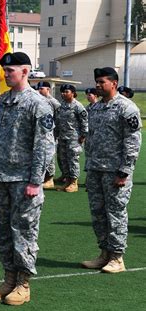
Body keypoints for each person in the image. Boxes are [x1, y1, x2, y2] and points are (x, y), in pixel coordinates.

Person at [0, 52, 55, 305]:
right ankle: (9, 278)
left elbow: (43, 146)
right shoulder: (0, 101)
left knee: (23, 232)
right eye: (4, 70)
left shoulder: (38, 103)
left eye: (10, 70)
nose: (5, 74)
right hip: (0, 178)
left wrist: (36, 181)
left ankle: (23, 284)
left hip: (24, 180)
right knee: (2, 232)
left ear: (25, 71)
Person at [81, 67, 142, 273]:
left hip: (115, 171)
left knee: (115, 213)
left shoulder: (126, 108)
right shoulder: (95, 109)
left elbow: (133, 141)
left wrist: (124, 171)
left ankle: (117, 257)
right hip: (96, 169)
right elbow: (91, 141)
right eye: (96, 81)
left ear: (113, 84)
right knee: (98, 214)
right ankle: (104, 253)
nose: (98, 85)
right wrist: (88, 167)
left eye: (102, 82)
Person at [55, 84, 88, 192]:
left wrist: (83, 135)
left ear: (73, 93)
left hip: (74, 138)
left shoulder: (78, 106)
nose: (63, 93)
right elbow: (57, 121)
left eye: (66, 91)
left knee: (73, 159)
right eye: (62, 92)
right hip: (62, 137)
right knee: (63, 159)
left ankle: (74, 182)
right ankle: (67, 180)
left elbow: (84, 122)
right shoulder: (61, 105)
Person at [37, 81, 61, 189]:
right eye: (39, 88)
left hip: (50, 132)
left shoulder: (53, 102)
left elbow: (59, 117)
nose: (39, 90)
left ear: (48, 90)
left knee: (50, 155)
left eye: (42, 88)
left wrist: (56, 132)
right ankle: (43, 176)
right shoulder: (38, 100)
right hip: (40, 132)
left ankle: (50, 178)